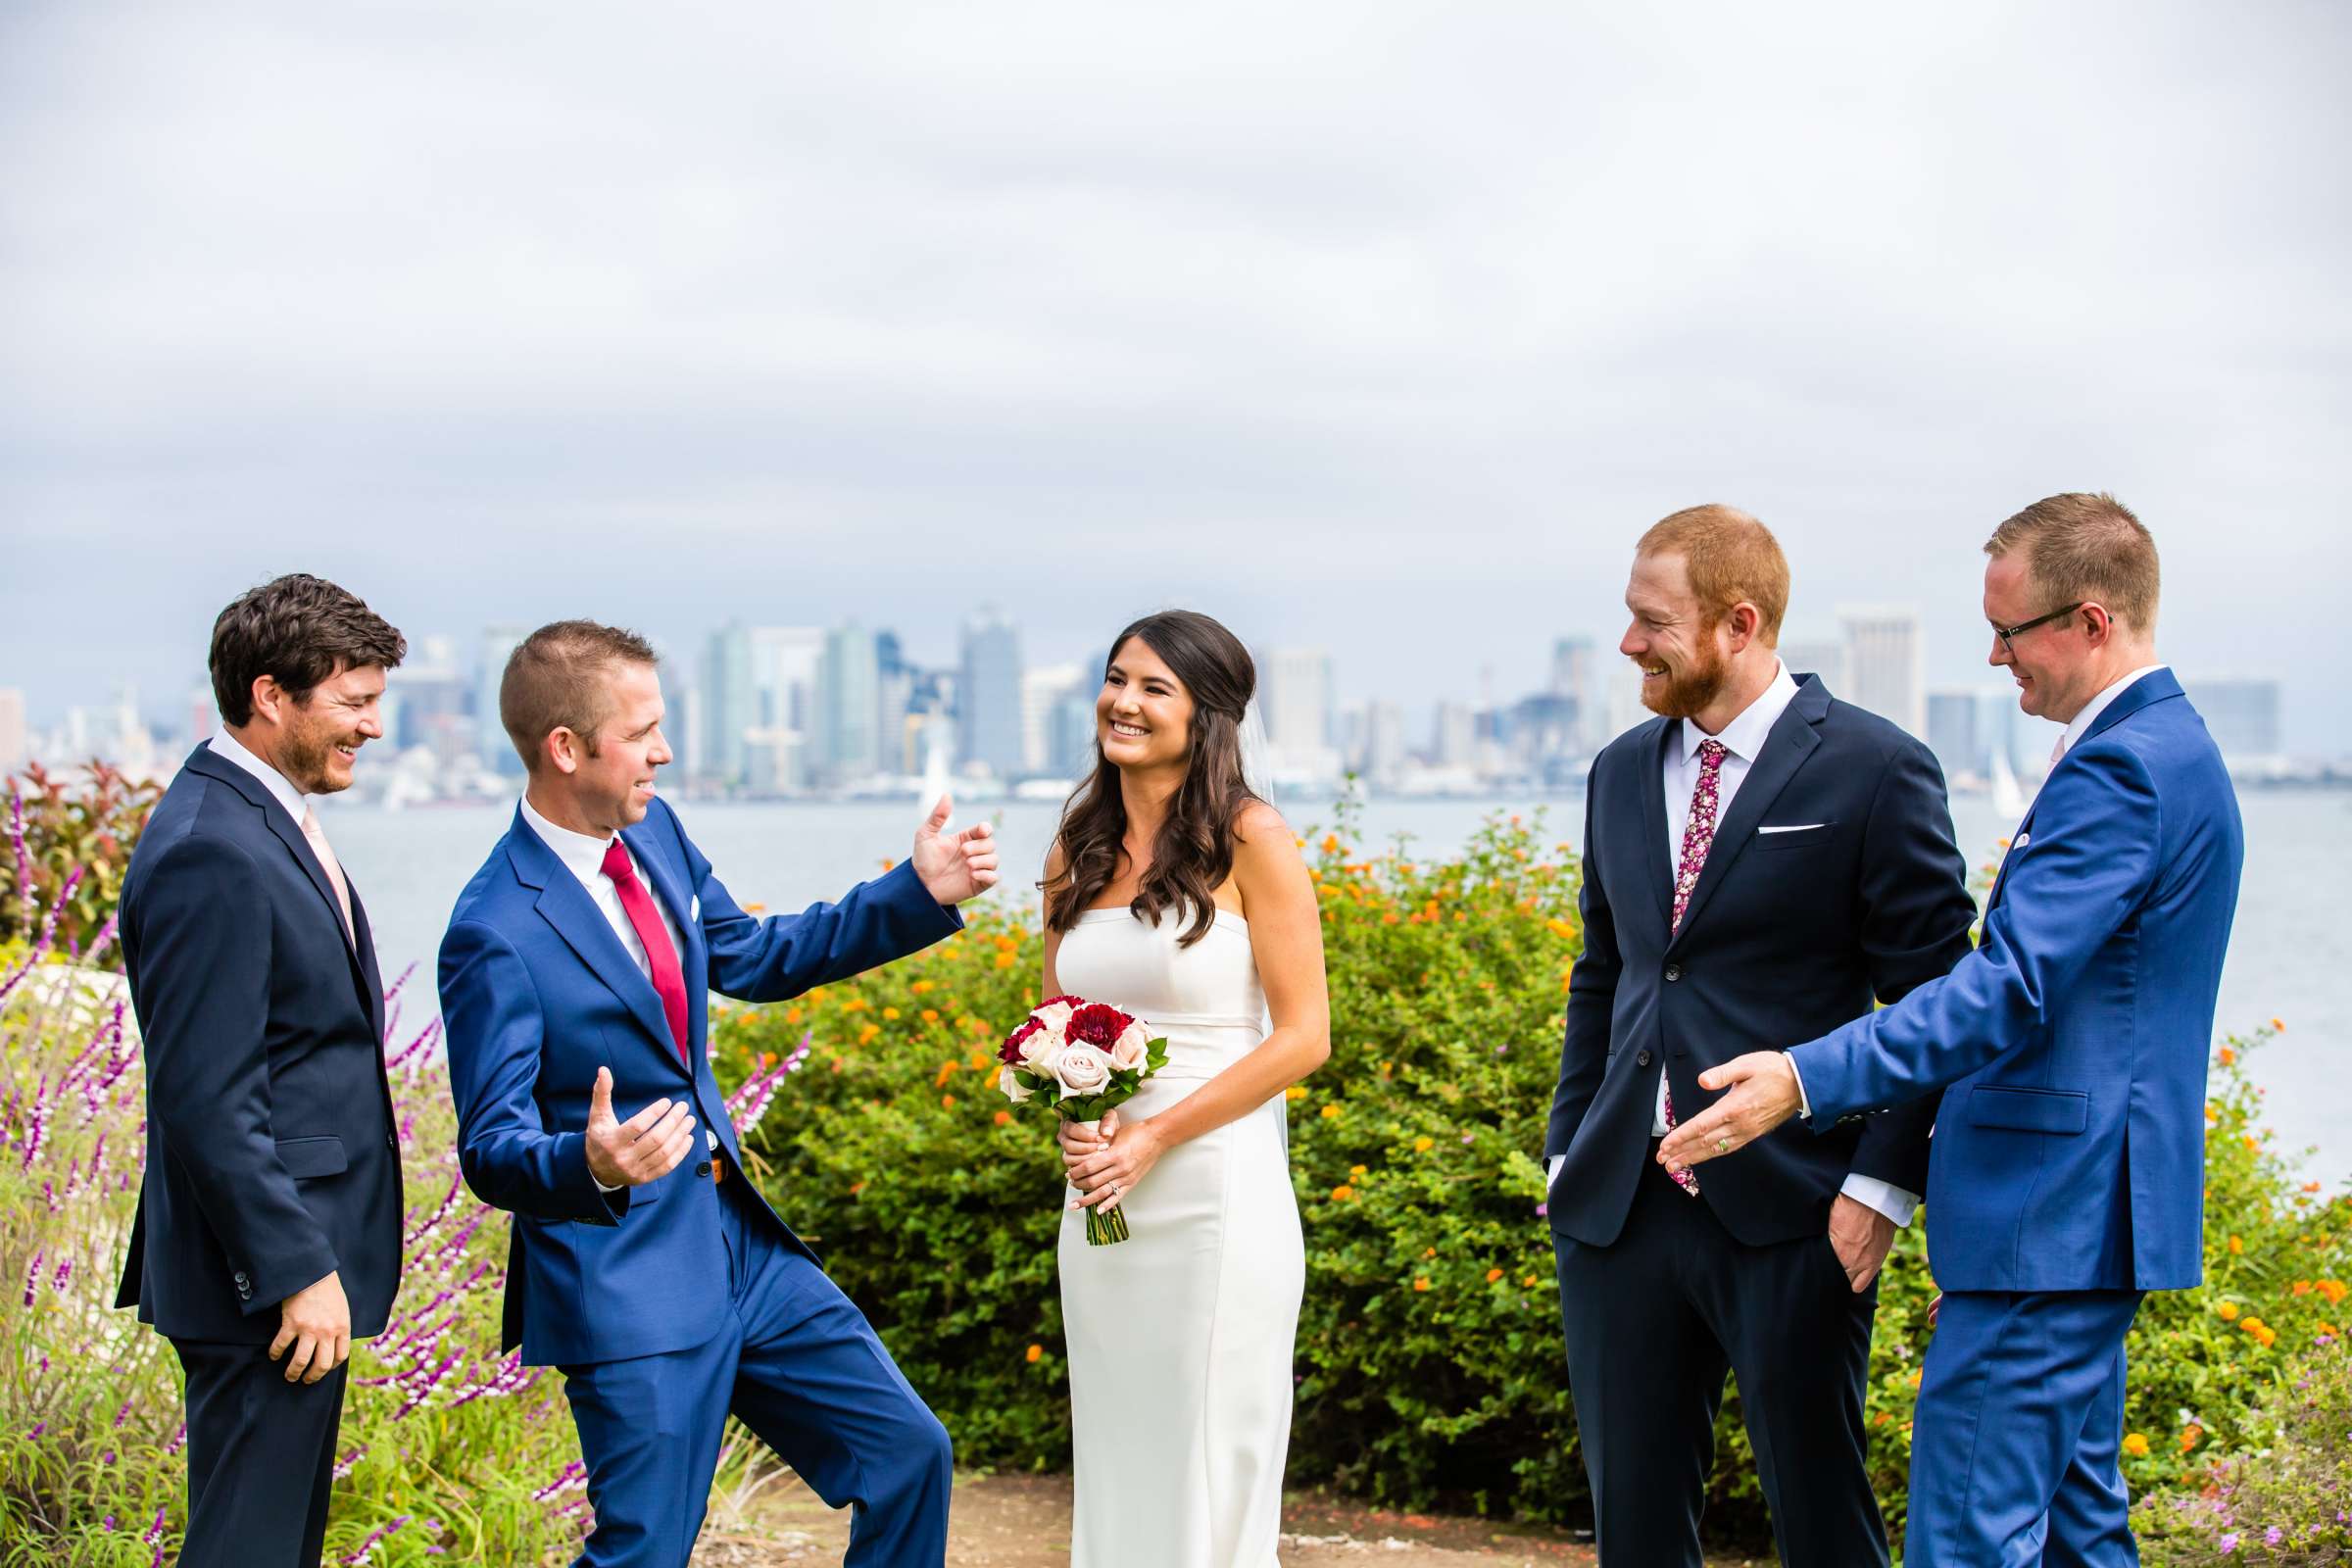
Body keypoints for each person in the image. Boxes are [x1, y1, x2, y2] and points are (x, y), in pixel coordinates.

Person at [1660, 493, 2244, 1568]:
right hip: (2077, 1217)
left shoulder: (2124, 765)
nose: (1993, 655)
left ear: (2091, 623)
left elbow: (2006, 987)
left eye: (2010, 630)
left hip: (2047, 1217)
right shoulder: (2164, 747)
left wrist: (1803, 1074)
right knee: (2079, 1534)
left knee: (1963, 1540)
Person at [437, 619, 998, 1568]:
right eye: (643, 728)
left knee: (907, 1453)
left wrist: (913, 890)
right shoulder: (493, 929)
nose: (664, 749)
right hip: (621, 1274)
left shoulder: (654, 831)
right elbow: (490, 1146)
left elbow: (752, 953)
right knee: (645, 1552)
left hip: (743, 1241)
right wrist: (589, 1160)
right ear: (567, 749)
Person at [1544, 507, 1977, 1566]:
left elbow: (1934, 1002)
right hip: (1619, 1208)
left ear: (1740, 623)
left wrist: (1880, 1188)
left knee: (1823, 1520)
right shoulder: (1616, 770)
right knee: (1634, 1534)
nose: (1628, 644)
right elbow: (1605, 973)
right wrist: (1566, 1148)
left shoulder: (1879, 768)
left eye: (1653, 622)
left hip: (1797, 1207)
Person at [115, 574, 409, 1566]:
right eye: (354, 702)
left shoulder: (258, 816)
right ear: (273, 694)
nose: (373, 726)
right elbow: (206, 1096)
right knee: (248, 1546)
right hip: (264, 1283)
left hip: (283, 1271)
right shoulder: (214, 846)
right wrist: (293, 1268)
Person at [1048, 611, 1330, 1568]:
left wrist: (1157, 1134)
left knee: (1208, 1456)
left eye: (1153, 687)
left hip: (1217, 1192)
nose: (1123, 701)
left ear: (1206, 714)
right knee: (1119, 1450)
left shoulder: (1254, 840)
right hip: (1102, 1197)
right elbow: (1053, 1023)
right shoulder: (1075, 844)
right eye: (1116, 676)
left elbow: (1304, 1038)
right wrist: (1078, 1121)